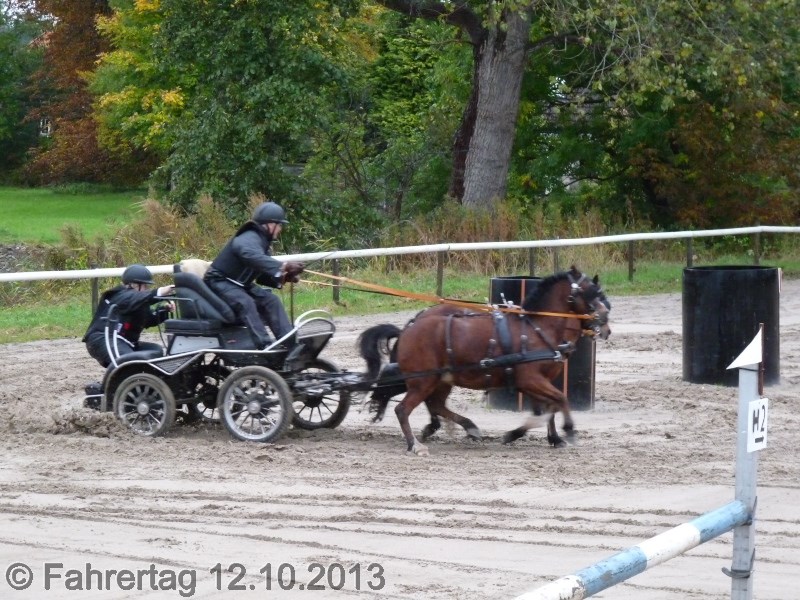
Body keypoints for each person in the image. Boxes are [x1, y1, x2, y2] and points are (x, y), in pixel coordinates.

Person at [203, 201, 305, 349]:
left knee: (271, 300)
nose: (280, 229)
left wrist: (284, 277)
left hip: (239, 285)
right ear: (270, 224)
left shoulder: (261, 241)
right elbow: (248, 254)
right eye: (279, 225)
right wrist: (283, 266)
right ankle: (265, 346)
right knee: (246, 303)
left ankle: (290, 343)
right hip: (219, 281)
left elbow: (260, 275)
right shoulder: (249, 237)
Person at [83, 264, 175, 368]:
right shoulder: (119, 294)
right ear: (134, 285)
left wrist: (164, 310)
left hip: (125, 342)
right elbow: (135, 297)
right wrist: (160, 292)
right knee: (130, 361)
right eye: (145, 286)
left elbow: (148, 320)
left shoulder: (138, 301)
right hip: (102, 339)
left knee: (156, 350)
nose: (146, 289)